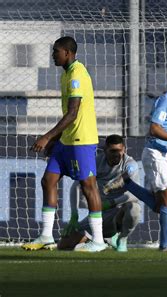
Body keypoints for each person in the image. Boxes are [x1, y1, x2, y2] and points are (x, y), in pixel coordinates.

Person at [22, 36, 106, 252]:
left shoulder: (77, 74)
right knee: (48, 180)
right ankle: (46, 236)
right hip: (67, 140)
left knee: (88, 186)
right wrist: (57, 140)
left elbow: (73, 113)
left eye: (56, 51)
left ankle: (98, 240)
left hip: (82, 139)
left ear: (68, 53)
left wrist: (47, 137)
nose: (53, 55)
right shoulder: (66, 74)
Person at [107, 65, 167, 252]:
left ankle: (127, 184)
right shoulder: (166, 100)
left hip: (165, 155)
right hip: (155, 154)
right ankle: (165, 245)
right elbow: (155, 129)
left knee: (159, 205)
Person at [58, 134, 141, 252]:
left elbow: (135, 194)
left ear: (124, 150)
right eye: (113, 151)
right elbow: (76, 187)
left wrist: (112, 202)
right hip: (100, 214)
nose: (117, 154)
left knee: (134, 208)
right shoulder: (96, 162)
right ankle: (106, 239)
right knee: (63, 245)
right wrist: (74, 215)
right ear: (105, 150)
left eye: (120, 151)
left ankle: (122, 238)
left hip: (119, 210)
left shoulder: (130, 165)